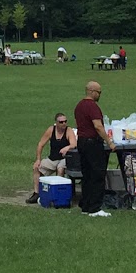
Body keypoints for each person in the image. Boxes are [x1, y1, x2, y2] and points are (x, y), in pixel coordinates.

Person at [74, 80, 111, 217]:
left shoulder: (79, 106)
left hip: (82, 142)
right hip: (92, 143)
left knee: (87, 174)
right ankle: (95, 208)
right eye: (98, 92)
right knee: (97, 174)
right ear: (91, 91)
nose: (99, 95)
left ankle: (86, 205)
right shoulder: (92, 106)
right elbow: (98, 126)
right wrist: (109, 142)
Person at [26, 111, 78, 202]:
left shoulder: (68, 131)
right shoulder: (51, 130)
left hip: (64, 159)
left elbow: (74, 143)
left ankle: (59, 194)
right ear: (56, 123)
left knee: (60, 168)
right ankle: (36, 193)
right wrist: (38, 159)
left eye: (65, 121)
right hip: (52, 158)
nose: (64, 124)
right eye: (61, 122)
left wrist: (67, 147)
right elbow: (40, 144)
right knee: (37, 168)